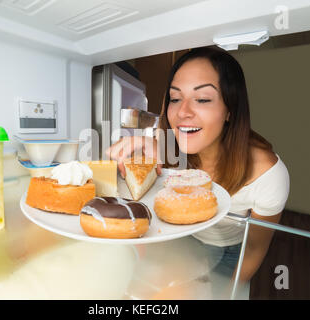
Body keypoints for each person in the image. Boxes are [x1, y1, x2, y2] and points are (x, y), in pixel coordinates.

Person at [106, 47, 290, 284]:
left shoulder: (268, 174)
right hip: (180, 235)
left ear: (229, 111)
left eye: (202, 99)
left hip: (230, 247)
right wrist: (137, 164)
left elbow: (254, 249)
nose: (183, 112)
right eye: (175, 98)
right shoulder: (164, 149)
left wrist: (228, 294)